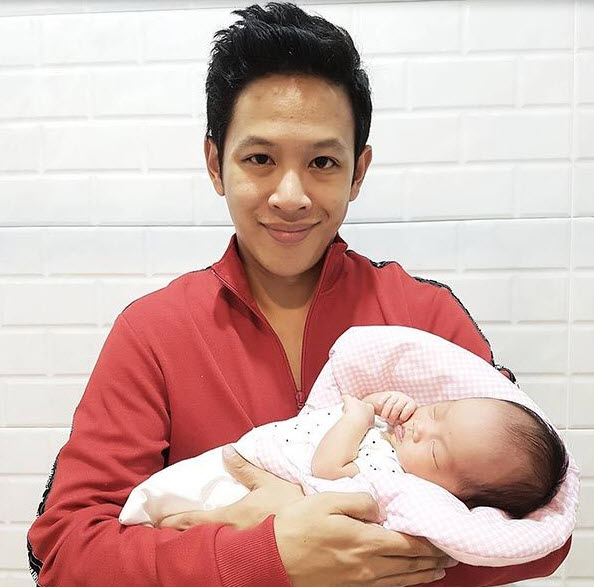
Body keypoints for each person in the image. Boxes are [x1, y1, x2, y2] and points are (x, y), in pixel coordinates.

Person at [27, 2, 571, 586]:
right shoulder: (153, 331)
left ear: (358, 172)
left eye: (322, 162)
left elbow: (542, 528)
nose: (290, 195)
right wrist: (265, 554)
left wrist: (329, 536)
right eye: (260, 159)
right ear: (215, 164)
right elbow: (64, 555)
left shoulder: (423, 317)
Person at [119, 389, 568, 528]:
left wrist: (358, 416)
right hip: (248, 463)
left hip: (255, 483)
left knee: (187, 507)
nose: (421, 427)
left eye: (435, 450)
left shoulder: (395, 482)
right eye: (438, 413)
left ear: (453, 494)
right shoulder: (397, 437)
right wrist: (380, 403)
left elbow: (329, 469)